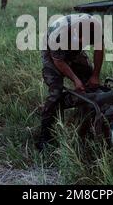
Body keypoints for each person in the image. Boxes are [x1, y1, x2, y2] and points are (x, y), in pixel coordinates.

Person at [37, 14, 104, 151]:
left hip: (74, 52)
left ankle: (88, 118)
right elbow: (59, 61)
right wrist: (75, 80)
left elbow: (99, 49)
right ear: (72, 31)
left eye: (84, 40)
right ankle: (44, 135)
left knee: (90, 82)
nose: (81, 42)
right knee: (55, 92)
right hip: (52, 53)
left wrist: (95, 75)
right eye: (78, 39)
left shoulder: (96, 26)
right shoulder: (58, 33)